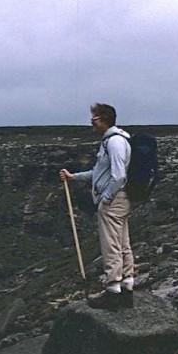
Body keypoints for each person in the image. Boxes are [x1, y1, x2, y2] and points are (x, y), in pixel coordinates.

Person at [60, 103, 135, 310]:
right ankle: (127, 287)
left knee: (111, 244)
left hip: (114, 200)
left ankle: (113, 291)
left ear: (104, 119)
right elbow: (98, 173)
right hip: (120, 199)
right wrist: (73, 177)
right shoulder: (115, 141)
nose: (91, 123)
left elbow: (118, 175)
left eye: (94, 119)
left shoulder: (114, 143)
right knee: (122, 243)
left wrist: (106, 199)